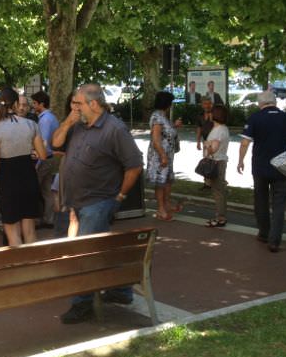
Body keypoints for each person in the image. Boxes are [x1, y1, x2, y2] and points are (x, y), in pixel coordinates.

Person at [52, 83, 143, 324]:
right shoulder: (78, 125)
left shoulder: (115, 129)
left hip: (98, 202)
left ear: (93, 104)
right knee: (101, 248)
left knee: (85, 252)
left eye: (78, 103)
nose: (74, 107)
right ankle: (121, 290)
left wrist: (120, 196)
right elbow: (56, 143)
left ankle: (82, 303)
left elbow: (134, 165)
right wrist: (68, 122)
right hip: (77, 201)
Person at [0, 87, 47, 246]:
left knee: (13, 234)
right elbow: (43, 155)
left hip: (8, 182)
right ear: (16, 104)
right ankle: (32, 261)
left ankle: (18, 262)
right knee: (30, 231)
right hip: (29, 177)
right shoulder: (31, 124)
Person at [237, 90, 286, 252]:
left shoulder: (255, 117)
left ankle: (263, 232)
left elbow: (245, 143)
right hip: (281, 167)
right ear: (274, 102)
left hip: (260, 166)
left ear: (260, 103)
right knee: (279, 205)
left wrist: (240, 161)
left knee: (261, 201)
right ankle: (275, 240)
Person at [146, 91, 182, 221]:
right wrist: (163, 155)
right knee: (160, 182)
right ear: (167, 104)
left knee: (167, 181)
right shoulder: (157, 117)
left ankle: (166, 204)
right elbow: (156, 139)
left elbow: (165, 133)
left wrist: (174, 126)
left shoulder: (162, 116)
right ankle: (161, 209)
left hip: (167, 155)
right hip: (159, 156)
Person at [31, 90, 60, 228]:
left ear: (41, 104)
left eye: (34, 103)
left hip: (44, 159)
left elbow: (43, 142)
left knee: (36, 190)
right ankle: (49, 219)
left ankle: (37, 220)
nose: (33, 106)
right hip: (50, 158)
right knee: (47, 190)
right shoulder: (51, 117)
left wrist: (38, 161)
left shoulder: (45, 120)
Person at [204, 104, 230, 228]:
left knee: (218, 191)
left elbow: (213, 149)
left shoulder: (218, 130)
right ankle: (220, 216)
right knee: (219, 190)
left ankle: (220, 218)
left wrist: (206, 145)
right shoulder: (223, 128)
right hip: (220, 161)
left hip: (216, 162)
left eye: (211, 112)